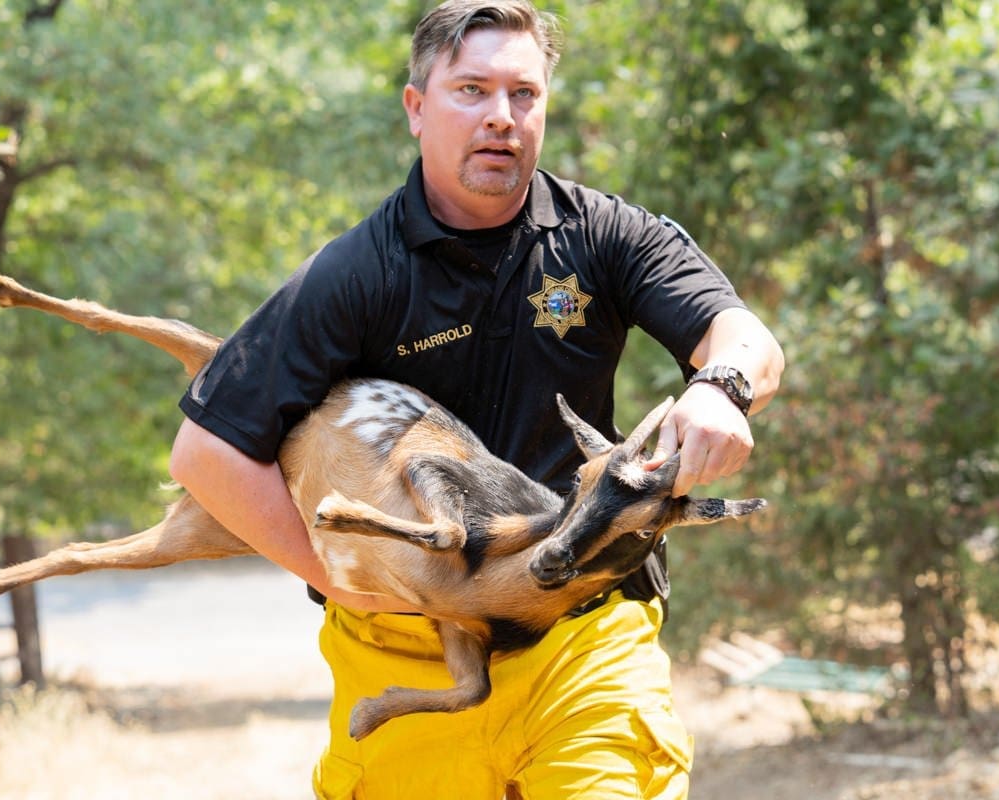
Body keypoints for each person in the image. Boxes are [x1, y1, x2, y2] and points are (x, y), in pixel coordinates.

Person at [168, 1, 784, 797]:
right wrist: (345, 577)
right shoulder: (355, 274)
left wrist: (721, 391)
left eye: (523, 94)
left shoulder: (604, 237)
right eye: (471, 90)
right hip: (407, 656)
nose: (501, 117)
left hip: (583, 637)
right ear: (417, 109)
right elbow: (208, 453)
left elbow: (745, 339)